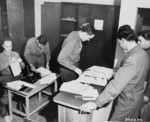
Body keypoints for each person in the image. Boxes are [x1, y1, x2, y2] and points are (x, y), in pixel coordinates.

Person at [79, 25, 149, 121]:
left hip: (128, 101)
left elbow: (116, 85)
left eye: (119, 42)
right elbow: (133, 75)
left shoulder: (133, 59)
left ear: (123, 40)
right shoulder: (141, 52)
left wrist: (96, 103)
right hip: (135, 97)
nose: (119, 45)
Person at [0, 37, 25, 121]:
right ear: (3, 46)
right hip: (6, 78)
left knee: (23, 90)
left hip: (17, 76)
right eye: (7, 46)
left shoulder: (15, 53)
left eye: (10, 46)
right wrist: (9, 62)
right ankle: (3, 109)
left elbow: (23, 67)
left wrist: (21, 62)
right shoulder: (1, 56)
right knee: (7, 96)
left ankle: (20, 104)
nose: (9, 48)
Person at [137, 30, 150, 121]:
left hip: (146, 89)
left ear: (148, 42)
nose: (138, 42)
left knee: (143, 114)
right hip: (143, 85)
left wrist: (147, 94)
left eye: (140, 41)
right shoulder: (145, 51)